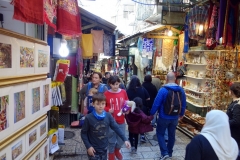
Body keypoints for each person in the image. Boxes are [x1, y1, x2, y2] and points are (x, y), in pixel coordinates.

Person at [81, 93, 131, 160]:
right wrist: (88, 146)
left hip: (104, 148)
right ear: (93, 104)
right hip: (93, 149)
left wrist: (125, 139)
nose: (100, 106)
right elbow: (83, 133)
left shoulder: (108, 116)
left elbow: (116, 127)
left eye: (103, 104)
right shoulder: (89, 118)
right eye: (98, 104)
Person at [150, 72, 186, 160]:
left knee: (160, 133)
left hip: (163, 116)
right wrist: (181, 114)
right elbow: (183, 103)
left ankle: (164, 153)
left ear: (166, 79)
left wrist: (151, 113)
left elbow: (156, 104)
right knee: (171, 135)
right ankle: (169, 153)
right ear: (175, 79)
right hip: (175, 117)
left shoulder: (163, 90)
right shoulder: (181, 90)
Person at [104, 76, 129, 160]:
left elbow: (127, 102)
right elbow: (102, 106)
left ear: (119, 83)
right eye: (113, 84)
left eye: (117, 84)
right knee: (111, 139)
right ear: (109, 84)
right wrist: (107, 109)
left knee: (121, 139)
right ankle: (111, 154)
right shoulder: (106, 93)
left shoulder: (123, 92)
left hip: (121, 119)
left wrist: (127, 110)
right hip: (110, 121)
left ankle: (117, 150)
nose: (115, 86)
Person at [126, 77, 150, 142]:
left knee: (132, 123)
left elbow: (126, 100)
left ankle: (132, 136)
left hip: (132, 109)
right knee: (141, 122)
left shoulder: (128, 90)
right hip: (142, 108)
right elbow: (148, 98)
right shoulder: (143, 89)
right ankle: (142, 136)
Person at [227, 83, 240, 154]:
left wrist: (225, 122)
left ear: (231, 92)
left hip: (235, 134)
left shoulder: (236, 105)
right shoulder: (235, 103)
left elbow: (236, 121)